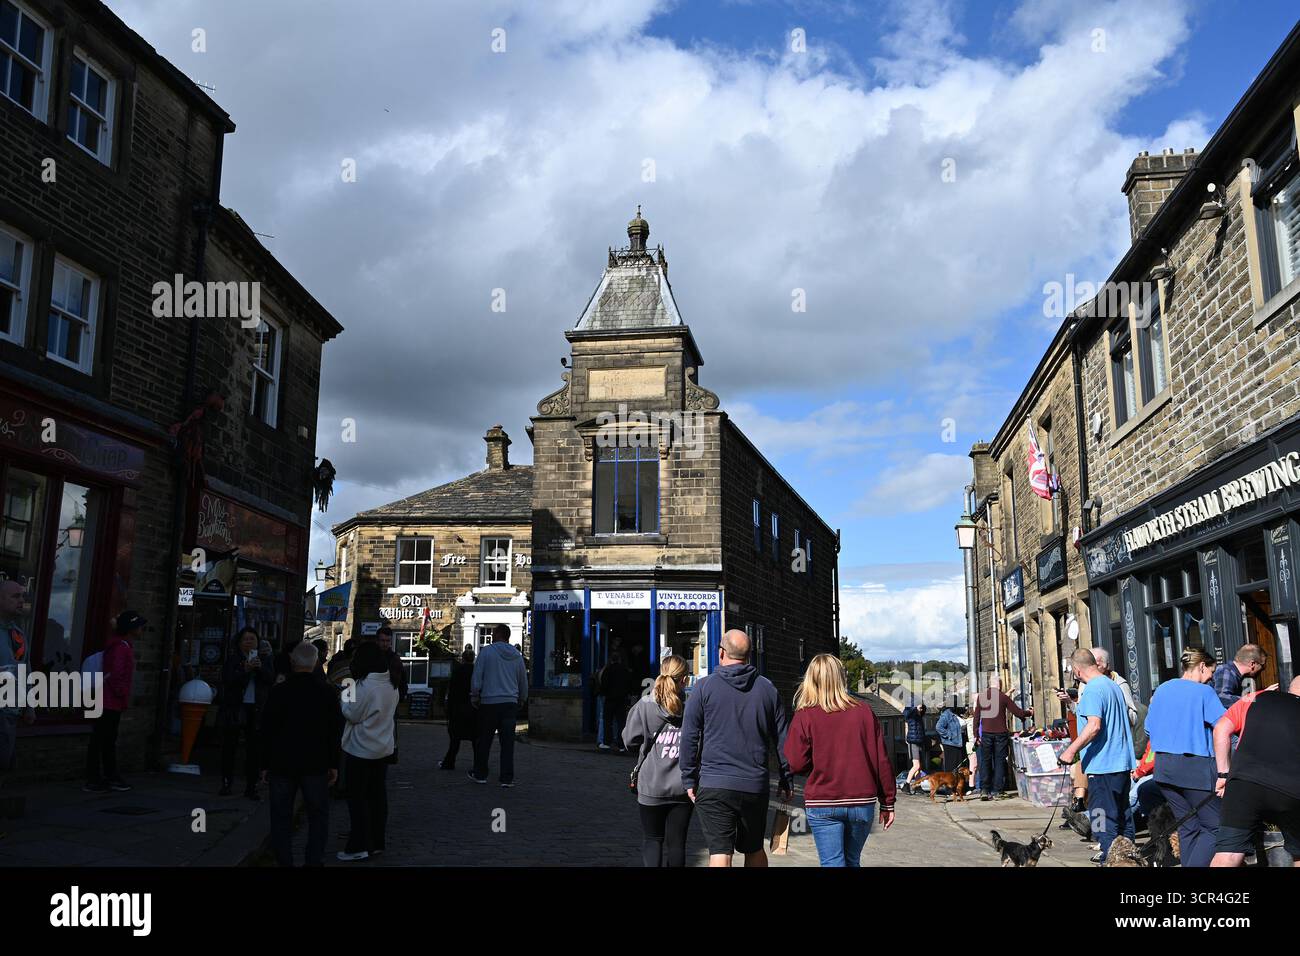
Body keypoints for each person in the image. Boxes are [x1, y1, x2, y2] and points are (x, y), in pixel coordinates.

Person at [679, 628, 792, 868]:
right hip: (754, 785)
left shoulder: (702, 688)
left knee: (720, 852)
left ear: (721, 653)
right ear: (749, 656)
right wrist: (786, 777)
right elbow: (783, 738)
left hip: (714, 783)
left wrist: (689, 778)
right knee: (754, 848)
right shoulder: (767, 689)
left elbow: (689, 736)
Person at [784, 654, 896, 867]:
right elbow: (881, 759)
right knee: (852, 861)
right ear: (840, 678)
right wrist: (887, 802)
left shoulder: (805, 715)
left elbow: (796, 763)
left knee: (832, 862)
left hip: (823, 800)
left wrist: (816, 764)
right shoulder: (864, 712)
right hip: (861, 801)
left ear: (811, 680)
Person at [259, 641, 343, 866]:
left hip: (282, 763)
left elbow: (267, 729)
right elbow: (335, 731)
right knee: (318, 816)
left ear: (292, 662)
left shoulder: (279, 691)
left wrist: (264, 763)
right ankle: (313, 860)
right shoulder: (326, 692)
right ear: (316, 662)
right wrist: (334, 763)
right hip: (315, 763)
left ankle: (285, 861)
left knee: (280, 817)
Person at [1144, 647, 1226, 868]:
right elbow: (1224, 728)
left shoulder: (1162, 689)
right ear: (1201, 666)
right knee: (1216, 826)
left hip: (1163, 769)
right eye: (1211, 672)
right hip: (1195, 768)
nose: (1211, 679)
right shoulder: (1204, 693)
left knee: (1187, 825)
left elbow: (1149, 729)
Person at [1056, 649, 1136, 863]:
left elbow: (1094, 726)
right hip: (1120, 762)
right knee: (1123, 815)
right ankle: (1129, 859)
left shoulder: (1092, 690)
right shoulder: (1113, 685)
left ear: (1077, 670)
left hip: (1102, 766)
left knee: (1101, 819)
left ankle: (1109, 860)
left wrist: (1071, 750)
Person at [1211, 676, 1300, 867]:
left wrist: (1223, 775)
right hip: (1292, 788)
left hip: (1245, 782)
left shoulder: (1255, 697)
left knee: (1228, 853)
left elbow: (1221, 728)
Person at [622, 654, 693, 867]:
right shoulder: (690, 707)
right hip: (682, 787)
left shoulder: (645, 705)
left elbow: (629, 741)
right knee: (677, 844)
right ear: (684, 680)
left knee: (652, 840)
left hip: (651, 785)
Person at [338, 642, 399, 861]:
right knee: (377, 798)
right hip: (382, 747)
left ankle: (359, 845)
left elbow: (351, 714)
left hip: (361, 749)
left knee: (358, 799)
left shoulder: (362, 686)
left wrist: (345, 695)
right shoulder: (391, 684)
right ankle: (377, 841)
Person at [84, 611, 142, 793]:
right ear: (131, 629)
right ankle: (97, 779)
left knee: (105, 740)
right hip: (108, 701)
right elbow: (115, 674)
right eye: (138, 626)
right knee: (103, 740)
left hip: (107, 700)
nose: (141, 629)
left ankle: (107, 776)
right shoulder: (121, 648)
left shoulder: (120, 646)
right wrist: (121, 693)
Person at [218, 627, 275, 799]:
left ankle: (251, 787)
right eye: (246, 639)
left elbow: (270, 680)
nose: (249, 642)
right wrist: (245, 670)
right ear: (239, 642)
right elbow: (228, 680)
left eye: (252, 639)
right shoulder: (233, 660)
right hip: (236, 708)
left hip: (255, 709)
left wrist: (258, 668)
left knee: (254, 750)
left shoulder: (264, 659)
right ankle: (226, 783)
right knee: (230, 747)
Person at [469, 624, 528, 787]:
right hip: (510, 703)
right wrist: (522, 697)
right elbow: (522, 679)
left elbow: (477, 676)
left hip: (489, 702)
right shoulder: (517, 655)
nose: (492, 636)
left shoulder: (487, 652)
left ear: (497, 634)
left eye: (494, 633)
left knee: (485, 741)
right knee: (508, 743)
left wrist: (475, 695)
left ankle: (480, 774)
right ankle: (506, 779)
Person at [973, 675, 1032, 800]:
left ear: (990, 684)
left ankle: (984, 790)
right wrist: (1030, 712)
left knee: (985, 761)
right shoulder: (1003, 697)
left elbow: (976, 717)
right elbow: (1018, 713)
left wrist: (976, 735)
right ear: (999, 684)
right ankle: (998, 791)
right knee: (1000, 761)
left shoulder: (981, 697)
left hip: (986, 734)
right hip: (1000, 734)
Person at [0, 581, 35, 781]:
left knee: (4, 761)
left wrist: (29, 706)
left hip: (9, 710)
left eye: (23, 596)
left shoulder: (18, 634)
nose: (22, 601)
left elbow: (25, 669)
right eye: (15, 596)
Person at [439, 647, 477, 770]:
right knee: (476, 741)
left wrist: (449, 710)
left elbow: (452, 692)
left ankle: (449, 763)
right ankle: (479, 764)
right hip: (473, 709)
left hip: (458, 710)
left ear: (463, 658)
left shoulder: (457, 671)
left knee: (455, 740)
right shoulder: (476, 671)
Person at [1211, 644, 1273, 709]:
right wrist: (1256, 697)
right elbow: (1221, 698)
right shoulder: (1226, 671)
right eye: (1262, 666)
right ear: (1252, 664)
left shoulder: (1238, 676)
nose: (1263, 669)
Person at [597, 651, 633, 754]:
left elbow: (603, 684)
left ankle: (607, 743)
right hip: (622, 699)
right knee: (621, 722)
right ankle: (621, 745)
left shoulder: (608, 670)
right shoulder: (625, 670)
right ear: (620, 660)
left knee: (608, 721)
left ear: (611, 660)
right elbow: (629, 684)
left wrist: (604, 693)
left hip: (610, 699)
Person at [376, 626, 409, 700]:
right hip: (375, 697)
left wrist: (401, 695)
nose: (385, 644)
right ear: (377, 641)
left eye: (388, 641)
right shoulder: (373, 657)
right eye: (382, 640)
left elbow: (403, 679)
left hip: (392, 698)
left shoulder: (395, 658)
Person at [902, 702, 927, 792]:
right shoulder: (911, 715)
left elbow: (924, 710)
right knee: (916, 765)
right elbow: (906, 715)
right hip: (913, 742)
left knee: (919, 767)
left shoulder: (919, 716)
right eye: (919, 708)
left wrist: (921, 708)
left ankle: (917, 785)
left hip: (920, 741)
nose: (920, 710)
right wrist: (915, 708)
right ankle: (906, 784)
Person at [936, 700, 965, 773]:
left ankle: (957, 782)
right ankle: (949, 783)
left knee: (958, 766)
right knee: (951, 766)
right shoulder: (946, 714)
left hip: (959, 743)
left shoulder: (956, 713)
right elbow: (939, 727)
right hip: (950, 744)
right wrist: (950, 735)